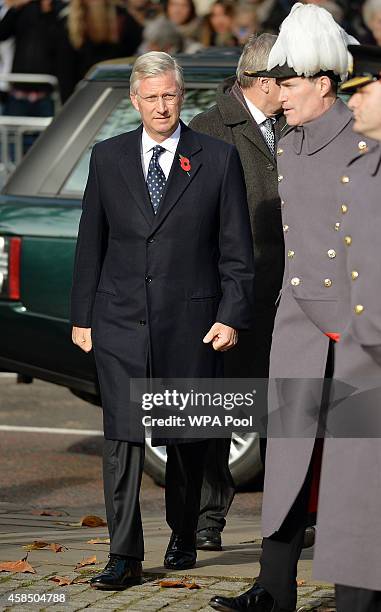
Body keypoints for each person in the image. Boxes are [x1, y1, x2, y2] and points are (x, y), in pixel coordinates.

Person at [70, 51, 255, 590]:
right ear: (135, 102)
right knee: (122, 439)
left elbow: (236, 252)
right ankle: (124, 554)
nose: (160, 106)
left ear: (182, 96)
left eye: (169, 96)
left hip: (191, 324)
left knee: (186, 437)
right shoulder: (107, 158)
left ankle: (182, 531)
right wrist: (82, 315)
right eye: (149, 98)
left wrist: (231, 315)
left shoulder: (216, 159)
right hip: (120, 320)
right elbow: (91, 245)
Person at [209, 4, 360, 611]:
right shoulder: (291, 144)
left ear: (323, 84)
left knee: (355, 463)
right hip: (296, 323)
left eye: (288, 83)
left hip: (354, 328)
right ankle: (274, 586)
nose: (276, 95)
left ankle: (359, 590)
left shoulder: (367, 142)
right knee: (290, 457)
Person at [190, 32, 285, 552]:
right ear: (264, 81)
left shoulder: (293, 122)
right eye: (287, 76)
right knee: (223, 410)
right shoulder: (209, 128)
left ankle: (286, 520)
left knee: (285, 410)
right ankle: (209, 519)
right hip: (231, 296)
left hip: (289, 293)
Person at [313, 43, 381, 612]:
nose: (352, 99)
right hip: (363, 354)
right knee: (355, 501)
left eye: (364, 89)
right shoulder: (364, 162)